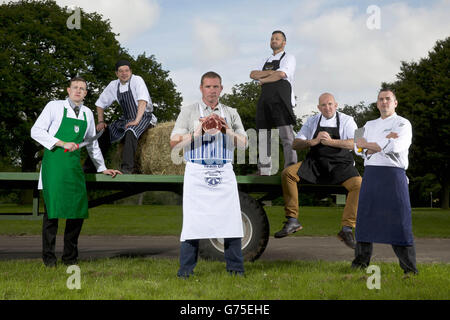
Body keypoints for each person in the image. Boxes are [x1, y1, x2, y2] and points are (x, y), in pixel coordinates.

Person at [31, 77, 121, 267]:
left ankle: (70, 258)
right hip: (54, 165)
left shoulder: (88, 113)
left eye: (82, 88)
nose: (78, 91)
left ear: (86, 93)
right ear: (68, 90)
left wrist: (102, 168)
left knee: (77, 212)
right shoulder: (54, 107)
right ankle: (49, 260)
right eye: (75, 88)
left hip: (73, 168)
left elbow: (92, 143)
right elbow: (36, 131)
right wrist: (62, 143)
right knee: (52, 215)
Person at [170, 71, 248, 278]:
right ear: (201, 88)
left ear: (221, 89)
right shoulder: (188, 112)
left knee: (231, 221)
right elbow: (173, 142)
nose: (212, 91)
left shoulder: (231, 112)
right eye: (208, 87)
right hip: (197, 170)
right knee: (193, 223)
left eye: (216, 87)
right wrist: (198, 132)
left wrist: (227, 130)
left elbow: (244, 143)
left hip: (223, 169)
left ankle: (236, 270)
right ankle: (185, 272)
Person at [275, 93, 362, 249]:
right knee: (288, 174)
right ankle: (292, 220)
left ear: (336, 105)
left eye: (330, 104)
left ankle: (347, 229)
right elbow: (295, 144)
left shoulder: (348, 120)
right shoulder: (312, 121)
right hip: (315, 164)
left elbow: (355, 144)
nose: (327, 107)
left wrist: (330, 142)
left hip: (340, 165)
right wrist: (313, 141)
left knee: (358, 184)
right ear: (318, 107)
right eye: (323, 105)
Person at [352, 88, 418, 275]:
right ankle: (359, 265)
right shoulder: (368, 123)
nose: (384, 102)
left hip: (393, 176)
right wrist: (374, 144)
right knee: (364, 220)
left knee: (400, 222)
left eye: (388, 99)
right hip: (371, 175)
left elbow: (395, 146)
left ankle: (410, 270)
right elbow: (358, 146)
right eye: (381, 99)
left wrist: (370, 145)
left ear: (395, 102)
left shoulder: (403, 124)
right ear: (377, 103)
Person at [83, 59, 156, 174]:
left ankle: (127, 170)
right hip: (126, 118)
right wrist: (101, 122)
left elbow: (142, 101)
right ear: (116, 73)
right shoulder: (113, 85)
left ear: (130, 71)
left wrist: (136, 120)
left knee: (130, 131)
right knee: (103, 133)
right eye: (121, 71)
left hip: (143, 116)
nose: (124, 73)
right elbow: (100, 103)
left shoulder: (137, 80)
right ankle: (89, 168)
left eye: (126, 70)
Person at [250, 30, 297, 175]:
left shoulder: (289, 57)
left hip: (281, 100)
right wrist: (273, 73)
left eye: (277, 38)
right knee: (264, 135)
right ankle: (264, 169)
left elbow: (283, 74)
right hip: (265, 100)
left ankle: (290, 168)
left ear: (284, 42)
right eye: (272, 39)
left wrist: (263, 79)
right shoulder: (265, 60)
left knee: (287, 137)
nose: (274, 40)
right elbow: (252, 74)